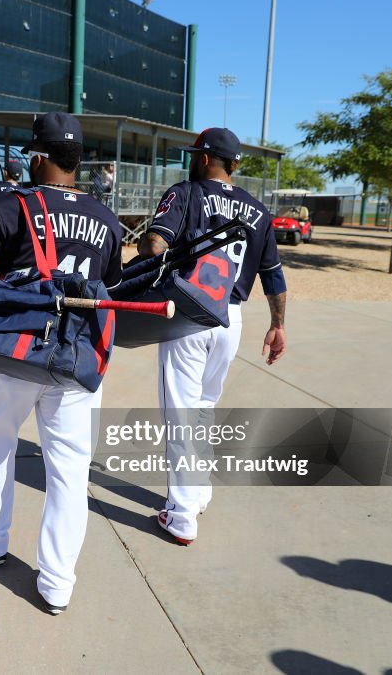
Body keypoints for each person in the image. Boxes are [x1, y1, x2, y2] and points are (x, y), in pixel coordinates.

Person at [0, 112, 123, 615]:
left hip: (16, 348)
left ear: (37, 156)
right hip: (77, 355)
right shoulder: (105, 217)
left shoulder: (10, 206)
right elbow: (110, 290)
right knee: (70, 471)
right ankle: (57, 584)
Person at [138, 127, 287, 545]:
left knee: (182, 414)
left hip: (189, 310)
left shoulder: (186, 192)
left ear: (204, 159)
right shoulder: (258, 210)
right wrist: (277, 326)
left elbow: (153, 246)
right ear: (234, 163)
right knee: (204, 408)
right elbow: (274, 277)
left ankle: (182, 516)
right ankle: (199, 491)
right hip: (231, 318)